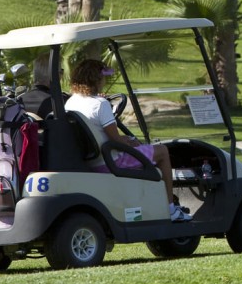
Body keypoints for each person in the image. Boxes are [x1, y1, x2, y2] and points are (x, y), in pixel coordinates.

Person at [65, 58, 191, 222]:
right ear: (96, 79)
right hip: (111, 161)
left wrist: (127, 140)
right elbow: (116, 140)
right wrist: (131, 142)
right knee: (162, 152)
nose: (105, 81)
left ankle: (156, 202)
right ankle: (171, 209)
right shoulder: (100, 104)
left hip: (92, 160)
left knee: (137, 145)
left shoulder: (70, 102)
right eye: (103, 78)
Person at [18, 53, 61, 120]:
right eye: (61, 72)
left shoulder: (19, 101)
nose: (62, 76)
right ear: (54, 74)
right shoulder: (58, 101)